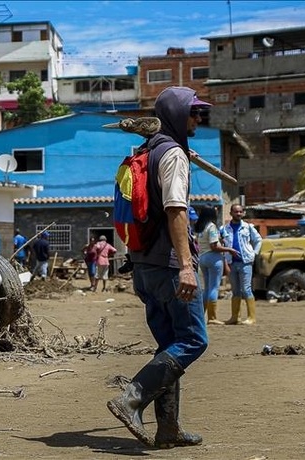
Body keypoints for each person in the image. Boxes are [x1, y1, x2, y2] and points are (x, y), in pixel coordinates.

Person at [106, 86, 210, 449]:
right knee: (194, 340)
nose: (200, 118)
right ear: (180, 115)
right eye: (195, 113)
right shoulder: (173, 156)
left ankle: (168, 429)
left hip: (143, 266)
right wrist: (186, 267)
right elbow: (176, 211)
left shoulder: (148, 151)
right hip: (168, 266)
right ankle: (131, 398)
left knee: (170, 344)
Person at [194, 205, 239, 326]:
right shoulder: (212, 227)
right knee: (214, 287)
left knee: (207, 289)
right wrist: (229, 249)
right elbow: (214, 246)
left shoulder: (201, 228)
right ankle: (212, 317)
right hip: (213, 258)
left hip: (202, 258)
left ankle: (201, 315)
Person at [221, 204, 262, 325]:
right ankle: (235, 317)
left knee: (246, 288)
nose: (238, 214)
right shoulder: (224, 229)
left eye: (240, 212)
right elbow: (221, 244)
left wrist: (254, 253)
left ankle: (251, 317)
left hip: (245, 262)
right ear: (231, 213)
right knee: (235, 290)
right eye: (236, 212)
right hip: (231, 263)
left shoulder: (248, 227)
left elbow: (258, 240)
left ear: (243, 213)